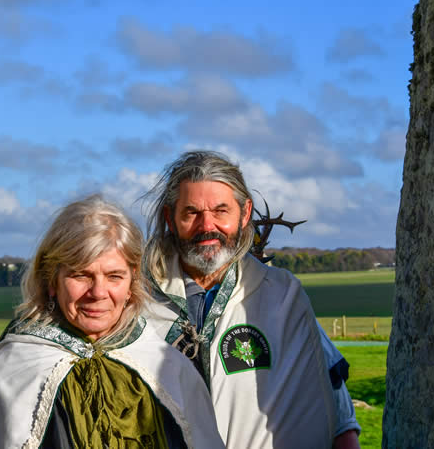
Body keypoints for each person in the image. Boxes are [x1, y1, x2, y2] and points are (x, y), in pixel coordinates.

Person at [0, 195, 224, 449]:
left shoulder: (170, 368)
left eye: (114, 276)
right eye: (81, 275)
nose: (98, 293)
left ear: (132, 282)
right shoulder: (7, 373)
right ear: (52, 281)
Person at [142, 151, 361, 448]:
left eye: (221, 211)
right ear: (170, 218)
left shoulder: (284, 300)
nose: (207, 226)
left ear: (244, 214)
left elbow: (338, 419)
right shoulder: (136, 301)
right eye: (191, 212)